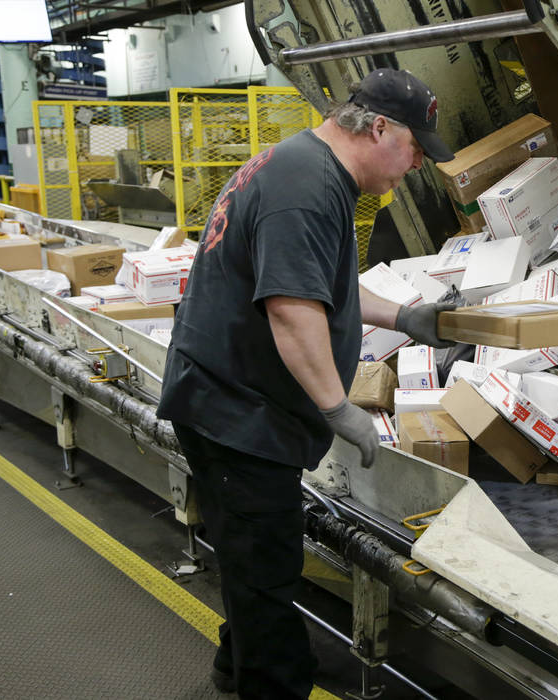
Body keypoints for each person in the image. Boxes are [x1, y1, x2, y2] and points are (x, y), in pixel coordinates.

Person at [157, 68, 455, 699]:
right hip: (236, 411)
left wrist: (403, 316)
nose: (417, 166)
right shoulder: (307, 187)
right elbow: (293, 308)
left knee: (250, 552)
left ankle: (234, 664)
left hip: (227, 397)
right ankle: (271, 684)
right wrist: (336, 407)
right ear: (379, 128)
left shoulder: (309, 167)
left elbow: (324, 281)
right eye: (417, 149)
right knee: (266, 568)